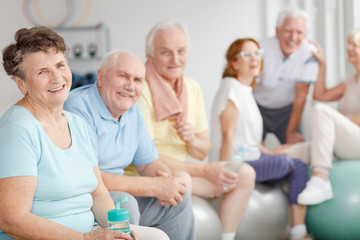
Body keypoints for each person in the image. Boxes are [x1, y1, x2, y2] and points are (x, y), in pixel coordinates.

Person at [0, 26, 169, 240]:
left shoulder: (76, 123)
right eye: (42, 72)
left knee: (158, 237)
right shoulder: (17, 130)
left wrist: (119, 231)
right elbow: (13, 219)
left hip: (88, 232)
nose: (57, 77)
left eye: (60, 65)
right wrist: (86, 238)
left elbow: (98, 193)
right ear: (21, 83)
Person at [138, 20, 256, 240]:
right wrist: (205, 170)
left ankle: (225, 237)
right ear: (150, 55)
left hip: (189, 171)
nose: (175, 60)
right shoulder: (140, 89)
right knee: (182, 179)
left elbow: (202, 150)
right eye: (166, 52)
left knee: (245, 173)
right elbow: (146, 157)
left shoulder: (192, 88)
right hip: (155, 174)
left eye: (181, 51)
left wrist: (192, 140)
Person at [64, 49, 194, 240]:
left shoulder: (132, 109)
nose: (130, 86)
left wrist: (166, 182)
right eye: (123, 76)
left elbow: (148, 163)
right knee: (125, 204)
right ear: (101, 77)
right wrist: (154, 186)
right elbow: (90, 178)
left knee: (179, 200)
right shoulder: (78, 107)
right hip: (88, 199)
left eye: (137, 80)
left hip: (118, 192)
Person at [209, 38, 312, 240]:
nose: (254, 58)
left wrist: (270, 153)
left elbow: (249, 138)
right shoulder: (231, 88)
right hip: (240, 164)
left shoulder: (246, 90)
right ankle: (299, 234)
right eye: (247, 54)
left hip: (252, 157)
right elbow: (227, 135)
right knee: (298, 167)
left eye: (257, 53)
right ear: (234, 63)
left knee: (299, 153)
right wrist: (221, 175)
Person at [297, 28, 360, 205]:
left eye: (354, 45)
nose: (349, 48)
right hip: (346, 141)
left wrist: (331, 131)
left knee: (321, 111)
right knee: (292, 152)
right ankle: (296, 225)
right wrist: (322, 65)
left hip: (356, 140)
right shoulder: (351, 81)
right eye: (348, 44)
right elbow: (321, 95)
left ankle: (321, 178)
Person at [253, 7, 319, 144]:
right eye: (288, 30)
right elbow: (249, 87)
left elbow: (301, 97)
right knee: (251, 150)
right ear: (277, 31)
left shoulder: (310, 54)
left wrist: (291, 133)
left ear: (305, 34)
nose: (293, 37)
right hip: (258, 107)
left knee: (296, 152)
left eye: (299, 32)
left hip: (288, 112)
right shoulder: (261, 50)